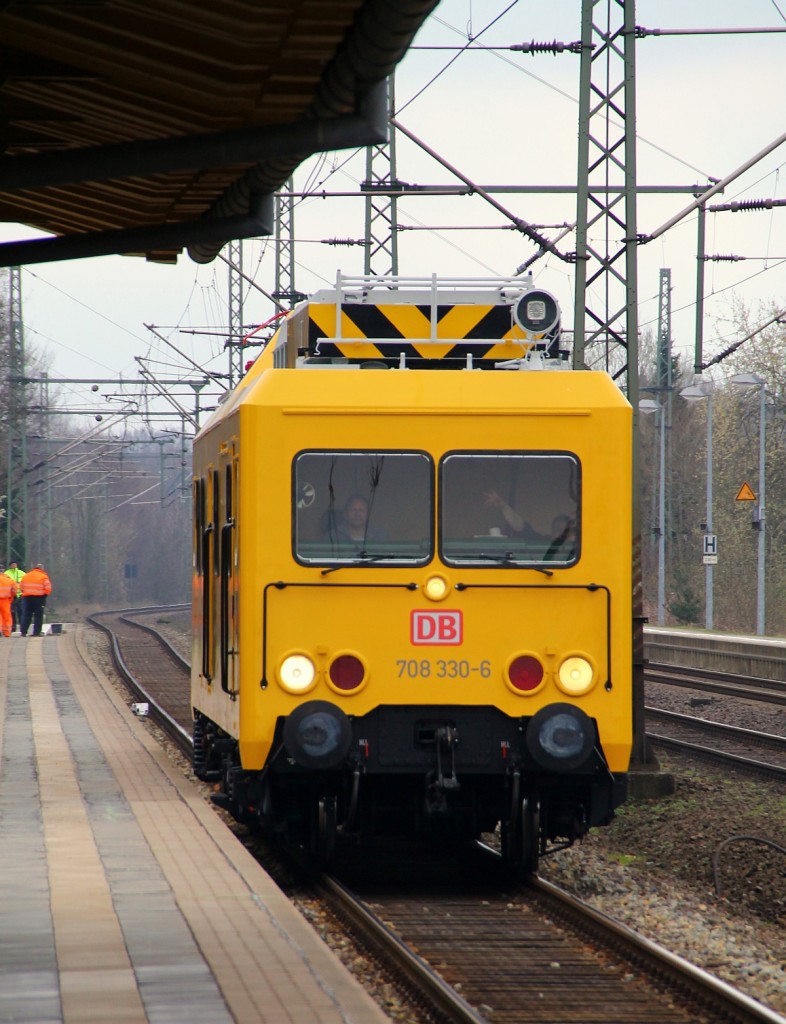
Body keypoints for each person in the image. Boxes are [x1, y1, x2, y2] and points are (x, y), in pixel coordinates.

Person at [19, 563, 52, 637]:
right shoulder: (43, 576)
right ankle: (36, 632)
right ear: (41, 569)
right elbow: (48, 588)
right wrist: (45, 595)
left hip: (27, 598)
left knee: (26, 615)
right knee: (38, 615)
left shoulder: (26, 576)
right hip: (39, 598)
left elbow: (21, 587)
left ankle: (23, 632)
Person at [4, 561, 24, 633]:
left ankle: (22, 627)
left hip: (20, 595)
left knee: (21, 611)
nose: (14, 566)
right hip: (11, 596)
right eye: (13, 565)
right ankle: (13, 626)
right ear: (10, 566)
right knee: (12, 612)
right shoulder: (6, 574)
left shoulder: (21, 573)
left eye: (15, 564)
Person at [0, 571, 17, 637]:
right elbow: (15, 590)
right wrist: (12, 597)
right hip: (6, 600)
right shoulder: (9, 580)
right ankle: (7, 632)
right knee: (6, 616)